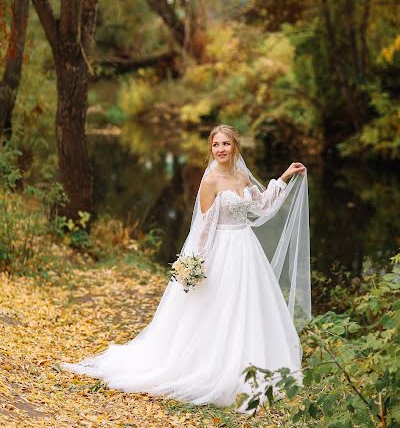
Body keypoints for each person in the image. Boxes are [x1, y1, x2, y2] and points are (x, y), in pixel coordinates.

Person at [61, 124, 310, 413]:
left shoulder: (242, 177)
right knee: (217, 308)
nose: (221, 149)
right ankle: (212, 364)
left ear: (235, 147)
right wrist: (196, 262)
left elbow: (264, 203)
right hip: (222, 250)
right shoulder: (210, 181)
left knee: (246, 306)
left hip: (246, 249)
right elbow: (203, 227)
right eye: (216, 145)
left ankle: (249, 363)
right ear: (211, 149)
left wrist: (286, 175)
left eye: (226, 144)